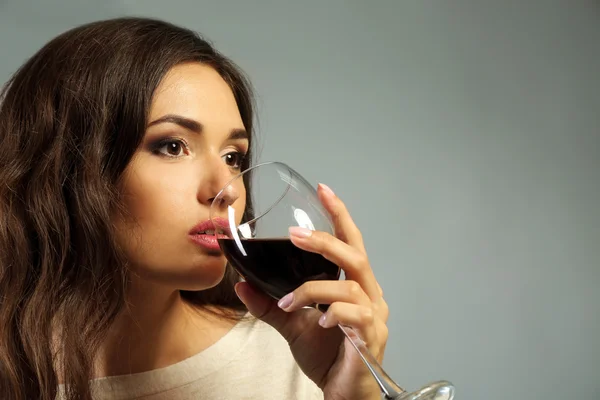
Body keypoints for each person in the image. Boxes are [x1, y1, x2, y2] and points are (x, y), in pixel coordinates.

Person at [0, 17, 390, 400]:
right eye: (173, 146)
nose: (226, 189)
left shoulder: (289, 360)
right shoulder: (14, 375)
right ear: (66, 168)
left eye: (233, 157)